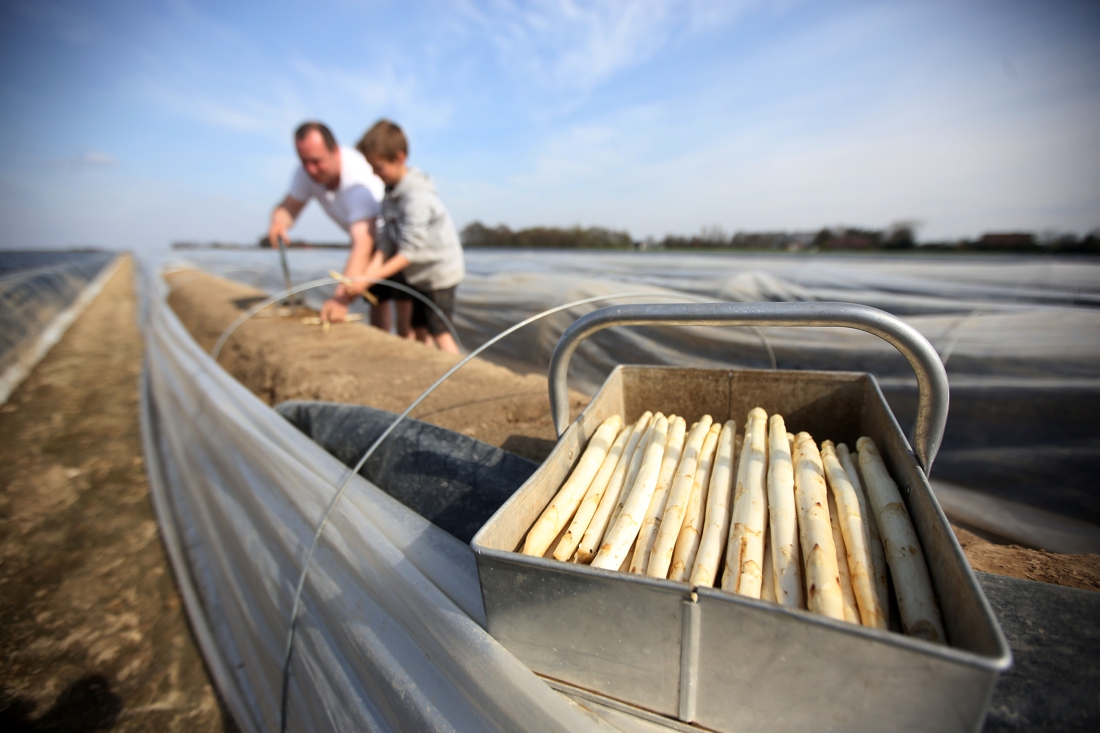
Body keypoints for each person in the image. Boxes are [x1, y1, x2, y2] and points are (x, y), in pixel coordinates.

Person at [325, 119, 465, 354]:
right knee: (418, 327)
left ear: (400, 158)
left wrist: (367, 281)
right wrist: (363, 276)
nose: (373, 173)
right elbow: (386, 244)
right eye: (371, 166)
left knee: (439, 330)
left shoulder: (416, 197)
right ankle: (428, 366)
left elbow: (407, 253)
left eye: (378, 167)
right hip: (419, 276)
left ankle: (460, 375)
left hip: (440, 275)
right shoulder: (390, 194)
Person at [267, 121, 413, 336]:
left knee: (404, 303)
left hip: (392, 241)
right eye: (304, 162)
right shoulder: (306, 172)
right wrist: (278, 223)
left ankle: (407, 348)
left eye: (317, 161)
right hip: (372, 242)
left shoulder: (358, 178)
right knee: (377, 298)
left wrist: (340, 299)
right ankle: (380, 343)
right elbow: (289, 207)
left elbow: (364, 241)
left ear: (335, 151)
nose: (311, 169)